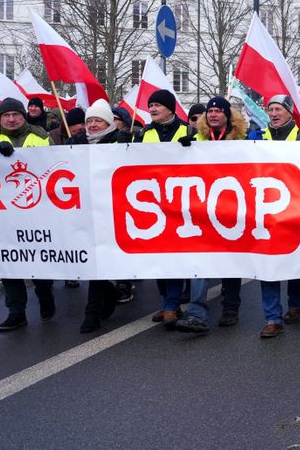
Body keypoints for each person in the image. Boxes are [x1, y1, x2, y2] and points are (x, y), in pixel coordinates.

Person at [173, 96, 248, 334]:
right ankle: (196, 313)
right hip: (202, 212)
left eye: (218, 111)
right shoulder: (197, 139)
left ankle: (230, 308)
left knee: (231, 263)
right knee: (200, 261)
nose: (213, 114)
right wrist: (182, 151)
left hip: (231, 211)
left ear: (227, 115)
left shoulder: (242, 141)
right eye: (210, 111)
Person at [0, 97, 56, 331]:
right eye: (7, 115)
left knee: (40, 262)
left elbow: (57, 165)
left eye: (16, 114)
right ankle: (16, 312)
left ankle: (45, 295)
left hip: (38, 210)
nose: (12, 119)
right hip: (4, 214)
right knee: (9, 263)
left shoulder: (41, 136)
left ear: (24, 116)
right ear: (0, 118)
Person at [258, 94, 300, 338]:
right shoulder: (256, 138)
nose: (273, 113)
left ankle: (295, 306)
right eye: (270, 109)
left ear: (289, 113)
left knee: (294, 263)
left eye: (278, 109)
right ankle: (272, 318)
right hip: (264, 212)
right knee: (267, 266)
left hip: (296, 210)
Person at [72, 101, 133, 333]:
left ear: (108, 122)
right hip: (84, 209)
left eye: (98, 120)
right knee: (92, 261)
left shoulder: (122, 140)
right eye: (90, 121)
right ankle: (107, 297)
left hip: (113, 207)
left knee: (101, 260)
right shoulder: (74, 142)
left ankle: (93, 313)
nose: (93, 125)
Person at [140, 89, 192, 327]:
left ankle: (172, 305)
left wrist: (192, 147)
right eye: (150, 105)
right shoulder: (143, 133)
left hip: (180, 203)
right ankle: (166, 302)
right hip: (152, 204)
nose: (152, 109)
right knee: (158, 257)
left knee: (174, 256)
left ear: (170, 108)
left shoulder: (188, 131)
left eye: (157, 105)